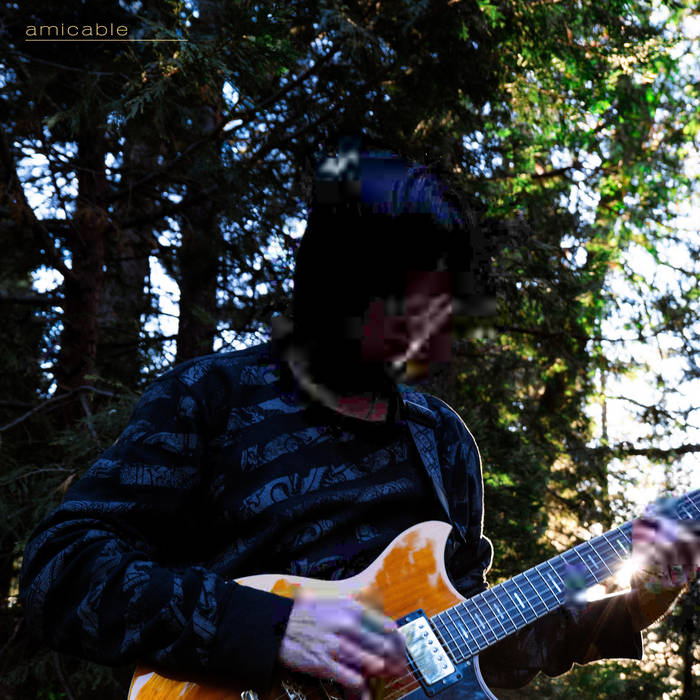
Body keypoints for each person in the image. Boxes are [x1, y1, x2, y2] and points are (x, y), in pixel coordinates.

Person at [19, 143, 698, 698]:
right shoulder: (213, 398)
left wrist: (637, 603)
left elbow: (474, 653)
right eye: (408, 301)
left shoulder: (442, 443)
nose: (431, 328)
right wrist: (273, 628)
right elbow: (61, 568)